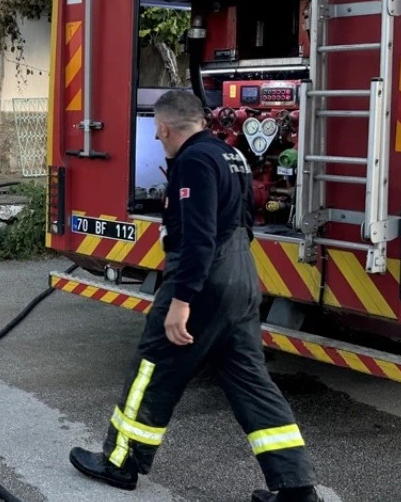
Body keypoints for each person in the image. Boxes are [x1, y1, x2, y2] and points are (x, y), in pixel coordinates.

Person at [69, 90, 319, 502]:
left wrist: (182, 301)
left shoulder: (193, 161)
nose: (156, 140)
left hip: (204, 279)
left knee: (152, 368)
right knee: (252, 384)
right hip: (241, 275)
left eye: (156, 132)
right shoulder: (230, 154)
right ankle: (296, 488)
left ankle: (120, 462)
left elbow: (200, 236)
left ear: (166, 127)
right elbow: (243, 218)